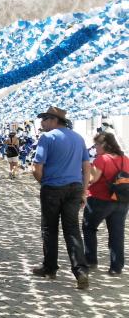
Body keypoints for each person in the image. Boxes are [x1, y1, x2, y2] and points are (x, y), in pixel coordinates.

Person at [32, 106, 90, 289]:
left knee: (49, 229)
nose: (42, 122)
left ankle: (50, 268)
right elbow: (86, 166)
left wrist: (45, 183)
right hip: (75, 188)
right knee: (72, 230)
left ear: (54, 120)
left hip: (52, 187)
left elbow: (36, 168)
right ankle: (81, 271)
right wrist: (84, 191)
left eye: (44, 119)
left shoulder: (47, 138)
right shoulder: (79, 138)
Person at [82, 132, 129, 276]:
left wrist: (87, 169)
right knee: (117, 233)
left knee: (89, 227)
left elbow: (92, 179)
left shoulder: (101, 159)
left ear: (105, 144)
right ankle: (116, 267)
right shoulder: (125, 159)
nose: (95, 147)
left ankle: (91, 260)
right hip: (121, 200)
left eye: (96, 144)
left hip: (100, 199)